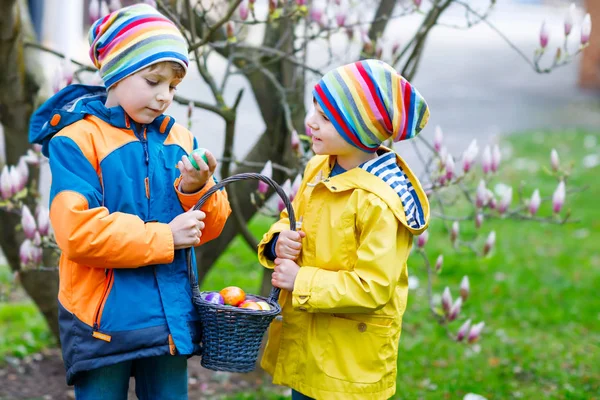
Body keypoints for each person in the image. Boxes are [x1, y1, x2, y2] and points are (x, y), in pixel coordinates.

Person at [28, 4, 231, 399]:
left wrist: (196, 189)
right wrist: (165, 237)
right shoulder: (77, 141)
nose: (163, 97)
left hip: (169, 318)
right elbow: (78, 232)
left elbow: (211, 226)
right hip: (102, 323)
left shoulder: (180, 140)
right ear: (115, 74)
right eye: (152, 80)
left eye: (172, 87)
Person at [258, 59, 431, 400]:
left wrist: (300, 281)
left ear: (358, 130)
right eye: (314, 110)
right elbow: (294, 218)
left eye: (324, 117)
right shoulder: (320, 167)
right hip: (310, 344)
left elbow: (373, 287)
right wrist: (280, 240)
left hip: (349, 362)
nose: (310, 122)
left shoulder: (380, 201)